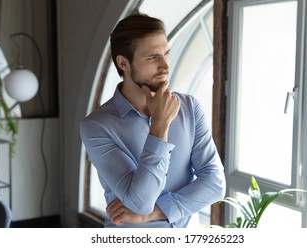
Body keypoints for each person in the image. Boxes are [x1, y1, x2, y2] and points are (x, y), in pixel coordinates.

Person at [80, 13, 226, 228]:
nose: (165, 66)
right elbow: (140, 202)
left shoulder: (189, 108)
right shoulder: (97, 126)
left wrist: (153, 214)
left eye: (166, 53)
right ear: (123, 63)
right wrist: (160, 125)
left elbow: (215, 183)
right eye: (152, 57)